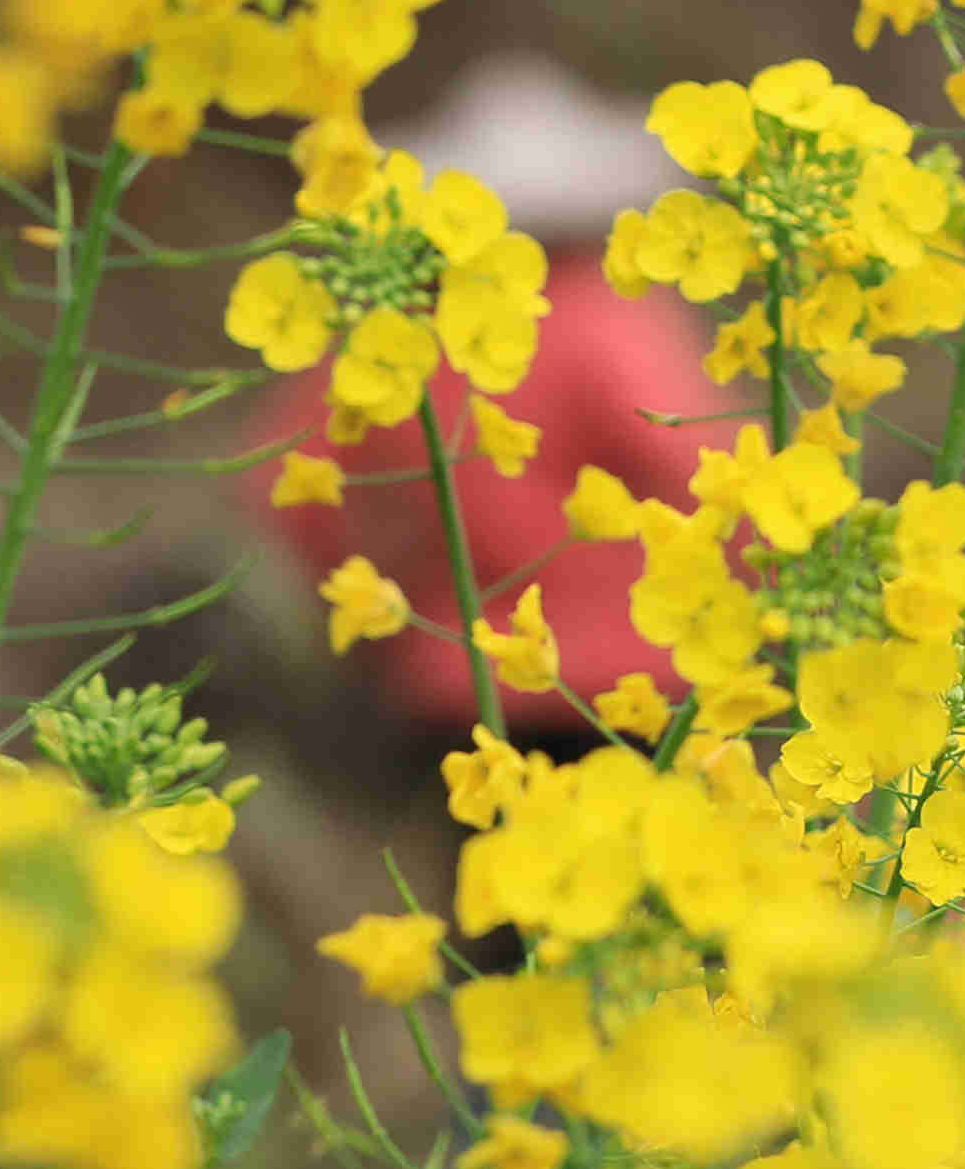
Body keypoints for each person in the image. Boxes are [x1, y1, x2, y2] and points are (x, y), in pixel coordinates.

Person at [260, 53, 733, 743]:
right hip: (630, 674)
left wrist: (380, 607)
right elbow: (703, 471)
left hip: (453, 679)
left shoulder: (387, 329)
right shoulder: (607, 316)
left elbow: (292, 492)